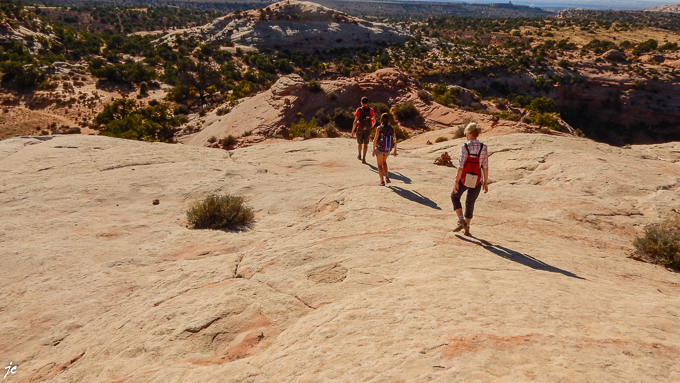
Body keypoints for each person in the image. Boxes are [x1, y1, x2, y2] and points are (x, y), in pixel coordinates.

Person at [451, 122, 488, 236]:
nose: (465, 135)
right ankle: (467, 226)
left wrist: (457, 182)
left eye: (466, 133)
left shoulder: (465, 146)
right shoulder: (483, 147)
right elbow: (485, 166)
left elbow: (461, 166)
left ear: (469, 133)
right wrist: (485, 182)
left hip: (464, 179)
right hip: (477, 179)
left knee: (454, 196)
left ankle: (461, 220)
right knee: (470, 202)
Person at [372, 113, 397, 186]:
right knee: (384, 162)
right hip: (387, 148)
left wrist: (373, 149)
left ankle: (382, 181)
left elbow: (375, 139)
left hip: (380, 148)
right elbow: (395, 139)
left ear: (381, 119)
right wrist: (395, 150)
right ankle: (386, 176)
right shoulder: (392, 128)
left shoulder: (379, 128)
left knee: (379, 165)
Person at [351, 97, 375, 164]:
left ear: (361, 102)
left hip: (360, 129)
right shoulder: (371, 110)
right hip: (368, 129)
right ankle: (364, 157)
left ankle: (359, 155)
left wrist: (353, 130)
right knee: (366, 144)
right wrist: (371, 126)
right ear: (367, 103)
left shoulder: (359, 110)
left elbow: (355, 121)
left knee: (360, 143)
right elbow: (374, 120)